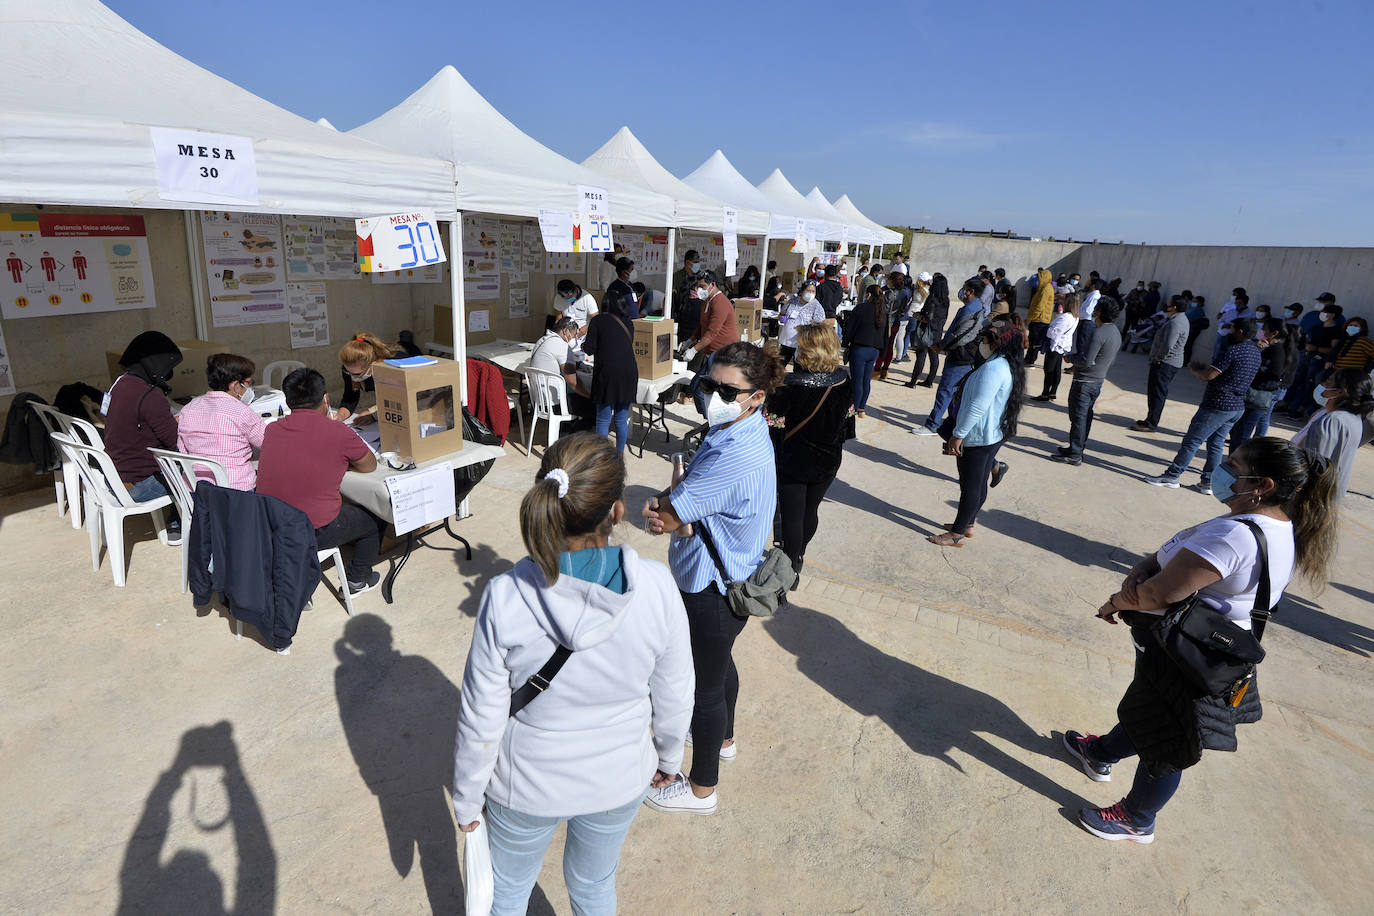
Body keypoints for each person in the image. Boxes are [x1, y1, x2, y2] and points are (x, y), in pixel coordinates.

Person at [451, 433, 693, 915]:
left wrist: (466, 798)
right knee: (594, 885)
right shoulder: (658, 588)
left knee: (507, 893)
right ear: (617, 511)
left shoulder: (505, 595)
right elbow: (674, 690)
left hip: (526, 784)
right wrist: (668, 756)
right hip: (620, 777)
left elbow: (481, 714)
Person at [1064, 436, 1338, 843]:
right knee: (1150, 705)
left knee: (1168, 735)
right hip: (1189, 644)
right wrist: (1146, 566)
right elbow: (1170, 565)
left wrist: (1115, 602)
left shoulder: (1237, 536)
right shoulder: (1271, 524)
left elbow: (1161, 593)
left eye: (1235, 465)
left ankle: (1137, 818)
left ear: (1262, 485)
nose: (1223, 471)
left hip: (1186, 650)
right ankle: (1101, 753)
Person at [640, 342, 781, 815]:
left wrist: (665, 509)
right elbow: (681, 508)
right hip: (727, 575)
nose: (714, 396)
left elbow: (667, 514)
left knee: (703, 685)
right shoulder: (737, 430)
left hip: (712, 587)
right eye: (709, 385)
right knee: (720, 666)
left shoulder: (735, 454)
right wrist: (673, 507)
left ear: (756, 397)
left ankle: (702, 789)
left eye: (728, 389)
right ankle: (723, 739)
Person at [255, 368, 386, 593]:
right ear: (326, 398)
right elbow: (369, 465)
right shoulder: (336, 430)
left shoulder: (273, 429)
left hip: (269, 522)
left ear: (288, 401)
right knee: (377, 517)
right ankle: (358, 579)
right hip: (311, 528)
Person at [765, 325, 854, 577]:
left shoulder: (789, 384)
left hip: (793, 461)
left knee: (792, 516)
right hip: (828, 460)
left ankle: (790, 569)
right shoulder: (844, 379)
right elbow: (848, 427)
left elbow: (771, 429)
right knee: (810, 511)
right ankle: (800, 553)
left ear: (807, 350)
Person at [928, 325, 1024, 546]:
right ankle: (967, 524)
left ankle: (957, 533)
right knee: (978, 482)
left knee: (970, 486)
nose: (982, 344)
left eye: (986, 340)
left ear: (998, 344)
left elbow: (977, 407)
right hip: (990, 434)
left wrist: (958, 435)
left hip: (978, 436)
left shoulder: (993, 369)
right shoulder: (1004, 365)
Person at [1147, 318, 1263, 491]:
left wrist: (1196, 370)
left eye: (1232, 329)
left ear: (1240, 332)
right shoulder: (1256, 353)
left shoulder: (1232, 351)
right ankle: (1209, 481)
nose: (1229, 332)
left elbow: (1209, 375)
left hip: (1217, 404)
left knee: (1192, 441)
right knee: (1216, 443)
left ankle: (1172, 476)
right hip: (1236, 406)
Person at [103, 330, 182, 506]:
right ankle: (180, 524)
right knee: (202, 470)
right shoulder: (150, 396)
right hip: (142, 485)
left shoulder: (118, 385)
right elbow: (176, 443)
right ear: (156, 365)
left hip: (115, 479)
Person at [175, 353, 266, 491]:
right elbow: (267, 442)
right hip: (236, 490)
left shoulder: (188, 409)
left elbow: (183, 450)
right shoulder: (241, 412)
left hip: (197, 491)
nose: (249, 388)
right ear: (235, 385)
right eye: (248, 383)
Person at [912, 278, 987, 435]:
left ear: (971, 292)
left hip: (960, 357)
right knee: (954, 394)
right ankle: (954, 424)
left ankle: (932, 425)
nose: (962, 291)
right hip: (962, 355)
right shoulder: (974, 307)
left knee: (946, 391)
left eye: (964, 288)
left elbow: (960, 336)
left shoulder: (970, 310)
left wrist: (942, 346)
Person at [1053, 298, 1123, 466]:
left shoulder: (1098, 333)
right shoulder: (1115, 332)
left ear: (1098, 312)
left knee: (1078, 418)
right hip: (1097, 381)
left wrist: (1069, 358)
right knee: (1085, 417)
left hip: (1084, 381)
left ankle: (1075, 454)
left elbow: (1086, 361)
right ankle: (1076, 448)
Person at [1291, 369, 1374, 500]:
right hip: (1329, 494)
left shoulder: (1332, 421)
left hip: (1313, 496)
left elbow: (1314, 464)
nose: (1323, 385)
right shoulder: (1352, 418)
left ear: (1340, 391)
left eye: (1328, 382)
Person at [582, 293, 639, 455]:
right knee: (621, 419)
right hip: (629, 373)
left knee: (603, 418)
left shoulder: (598, 321)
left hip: (607, 373)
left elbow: (590, 349)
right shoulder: (629, 322)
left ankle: (601, 456)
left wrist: (584, 345)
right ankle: (619, 456)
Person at [1229, 317, 1290, 452]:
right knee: (1236, 432)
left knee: (1242, 434)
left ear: (1274, 333)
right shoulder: (1266, 346)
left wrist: (1253, 371)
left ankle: (1236, 464)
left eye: (1265, 329)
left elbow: (1274, 373)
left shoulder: (1276, 349)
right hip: (1252, 395)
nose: (1261, 331)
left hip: (1258, 397)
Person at [682, 275, 739, 415]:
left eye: (702, 286)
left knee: (700, 391)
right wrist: (690, 341)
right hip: (713, 353)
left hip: (723, 354)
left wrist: (694, 350)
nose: (699, 290)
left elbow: (712, 332)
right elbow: (702, 327)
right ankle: (711, 422)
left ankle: (713, 423)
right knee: (697, 388)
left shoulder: (720, 303)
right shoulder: (707, 301)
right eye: (698, 287)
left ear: (712, 284)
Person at [1132, 296, 1190, 431]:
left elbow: (1168, 344)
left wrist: (1158, 358)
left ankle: (1151, 423)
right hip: (1167, 362)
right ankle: (1150, 418)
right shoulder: (1177, 319)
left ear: (1174, 307)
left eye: (1169, 304)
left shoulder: (1176, 322)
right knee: (1155, 392)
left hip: (1165, 363)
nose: (1166, 305)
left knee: (1157, 393)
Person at [530, 317, 592, 423]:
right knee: (594, 406)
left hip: (538, 401)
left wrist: (578, 365)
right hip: (555, 405)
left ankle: (570, 426)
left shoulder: (542, 340)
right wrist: (590, 396)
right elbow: (573, 382)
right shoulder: (561, 345)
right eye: (574, 335)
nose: (574, 339)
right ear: (565, 331)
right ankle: (574, 431)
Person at [842, 283, 889, 418]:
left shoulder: (861, 308)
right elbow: (886, 335)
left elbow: (850, 328)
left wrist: (845, 343)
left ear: (868, 295)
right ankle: (861, 408)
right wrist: (883, 353)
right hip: (874, 351)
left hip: (860, 349)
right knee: (866, 380)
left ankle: (854, 409)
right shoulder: (883, 312)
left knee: (857, 380)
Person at [336, 332, 398, 423]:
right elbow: (350, 397)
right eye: (348, 372)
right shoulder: (350, 369)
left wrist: (373, 414)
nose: (351, 377)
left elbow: (398, 398)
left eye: (357, 374)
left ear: (372, 365)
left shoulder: (391, 367)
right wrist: (340, 415)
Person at [1033, 291, 1080, 401]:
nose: (1061, 302)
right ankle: (1052, 392)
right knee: (1056, 369)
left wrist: (1048, 329)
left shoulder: (1065, 317)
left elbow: (1053, 333)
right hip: (1062, 345)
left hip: (1055, 345)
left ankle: (1045, 393)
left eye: (1064, 300)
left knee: (1049, 369)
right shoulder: (1075, 317)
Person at [776, 281, 827, 365]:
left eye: (813, 291)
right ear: (802, 291)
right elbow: (782, 314)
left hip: (802, 344)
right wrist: (784, 320)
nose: (810, 293)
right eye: (808, 290)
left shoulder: (817, 306)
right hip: (786, 341)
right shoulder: (793, 301)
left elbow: (820, 325)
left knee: (799, 369)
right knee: (779, 367)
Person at [874, 272, 911, 380]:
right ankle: (885, 369)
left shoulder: (889, 294)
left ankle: (877, 369)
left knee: (883, 347)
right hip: (896, 323)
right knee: (890, 347)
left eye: (889, 279)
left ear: (892, 281)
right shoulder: (904, 293)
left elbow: (884, 310)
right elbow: (903, 310)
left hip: (887, 324)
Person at [1025, 267, 1055, 366]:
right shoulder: (1044, 288)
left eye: (1039, 277)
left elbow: (1040, 306)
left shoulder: (1045, 289)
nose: (1038, 279)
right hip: (1039, 319)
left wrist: (1030, 319)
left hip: (1039, 320)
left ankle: (1030, 360)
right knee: (1033, 340)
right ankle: (1029, 358)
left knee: (1034, 341)